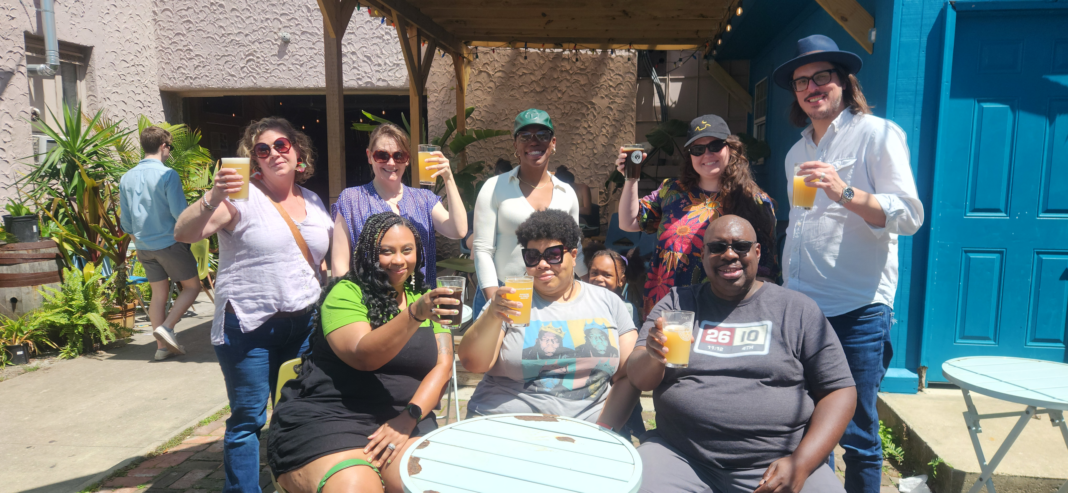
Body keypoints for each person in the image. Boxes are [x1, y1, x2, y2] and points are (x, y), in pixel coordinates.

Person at [772, 34, 924, 493]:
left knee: (858, 433)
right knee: (806, 424)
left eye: (822, 77)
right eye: (802, 81)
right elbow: (801, 225)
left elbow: (909, 216)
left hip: (857, 309)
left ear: (843, 81)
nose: (812, 87)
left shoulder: (877, 134)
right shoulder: (796, 152)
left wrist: (844, 191)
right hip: (802, 309)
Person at [628, 215, 857, 493]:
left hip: (777, 462)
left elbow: (840, 391)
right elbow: (639, 378)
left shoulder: (796, 309)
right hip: (680, 455)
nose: (729, 254)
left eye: (741, 246)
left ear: (757, 253)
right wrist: (654, 353)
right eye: (717, 247)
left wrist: (802, 462)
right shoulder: (677, 303)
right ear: (703, 255)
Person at [174, 117, 333, 493]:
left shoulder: (312, 200)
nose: (274, 153)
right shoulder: (239, 198)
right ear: (254, 160)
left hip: (302, 325)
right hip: (248, 324)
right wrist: (213, 195)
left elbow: (315, 258)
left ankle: (291, 482)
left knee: (293, 410)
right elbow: (184, 232)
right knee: (247, 419)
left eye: (282, 145)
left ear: (298, 152)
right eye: (263, 150)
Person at [267, 212, 456, 493]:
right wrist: (414, 315)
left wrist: (409, 417)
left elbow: (443, 365)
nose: (398, 260)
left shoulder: (422, 294)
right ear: (368, 254)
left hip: (402, 417)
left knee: (427, 484)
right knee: (355, 486)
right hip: (332, 416)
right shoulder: (347, 292)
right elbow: (363, 356)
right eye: (386, 251)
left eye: (407, 250)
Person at [458, 209, 634, 423]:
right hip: (504, 421)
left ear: (573, 255)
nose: (542, 264)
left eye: (553, 255)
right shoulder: (510, 299)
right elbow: (472, 363)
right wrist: (492, 316)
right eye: (532, 256)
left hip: (586, 429)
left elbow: (628, 374)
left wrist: (606, 426)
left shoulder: (608, 302)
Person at [616, 114, 779, 316]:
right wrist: (631, 178)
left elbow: (767, 271)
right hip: (667, 308)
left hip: (723, 313)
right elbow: (629, 222)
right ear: (690, 155)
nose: (707, 154)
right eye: (698, 149)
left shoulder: (753, 200)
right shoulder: (671, 191)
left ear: (730, 148)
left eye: (715, 146)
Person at [470, 109, 587, 318]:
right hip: (502, 290)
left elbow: (574, 248)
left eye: (542, 136)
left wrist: (589, 287)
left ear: (553, 143)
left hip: (552, 294)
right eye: (525, 136)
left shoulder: (567, 193)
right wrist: (494, 299)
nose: (534, 142)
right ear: (516, 144)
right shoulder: (494, 187)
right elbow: (482, 249)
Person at [331, 123, 466, 283]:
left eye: (399, 156)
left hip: (419, 302)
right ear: (369, 156)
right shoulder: (351, 199)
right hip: (368, 304)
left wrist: (448, 178)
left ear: (407, 159)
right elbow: (339, 265)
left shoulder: (424, 199)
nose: (391, 163)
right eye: (382, 155)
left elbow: (459, 230)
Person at [119, 126, 201, 361]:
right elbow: (180, 214)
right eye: (170, 147)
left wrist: (138, 240)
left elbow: (125, 221)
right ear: (163, 146)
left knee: (158, 295)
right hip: (169, 242)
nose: (169, 152)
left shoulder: (126, 177)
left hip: (144, 246)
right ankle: (167, 327)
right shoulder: (167, 175)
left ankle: (161, 349)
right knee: (193, 287)